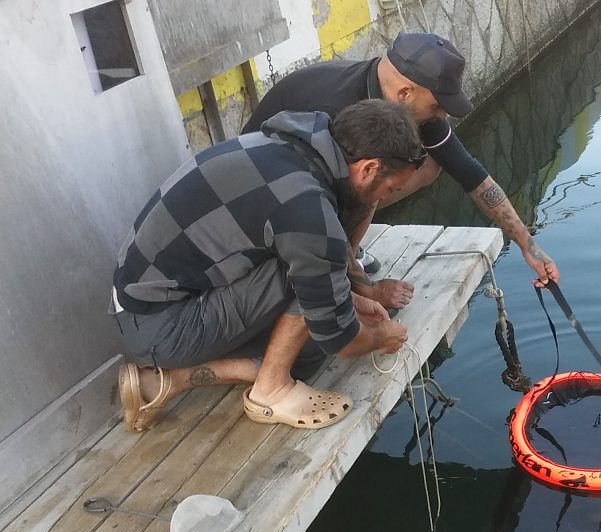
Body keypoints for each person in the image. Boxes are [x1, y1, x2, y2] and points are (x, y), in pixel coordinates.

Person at [110, 99, 421, 431]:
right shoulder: (306, 209)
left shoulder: (291, 143)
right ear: (369, 168)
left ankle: (169, 381)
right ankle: (269, 391)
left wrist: (350, 299)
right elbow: (341, 340)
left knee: (308, 344)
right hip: (158, 325)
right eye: (390, 189)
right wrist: (379, 337)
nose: (383, 199)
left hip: (137, 301)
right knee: (312, 278)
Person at [242, 33, 560, 312]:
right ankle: (343, 267)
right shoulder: (338, 109)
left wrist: (528, 245)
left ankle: (349, 251)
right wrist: (367, 290)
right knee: (367, 186)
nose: (442, 115)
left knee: (430, 164)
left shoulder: (405, 100)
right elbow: (319, 208)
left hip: (315, 186)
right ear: (405, 93)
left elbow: (469, 172)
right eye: (437, 106)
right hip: (261, 196)